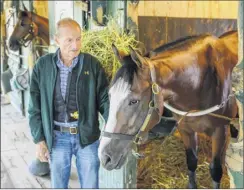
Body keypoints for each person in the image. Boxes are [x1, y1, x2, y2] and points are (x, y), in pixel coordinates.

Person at [28, 18, 109, 188]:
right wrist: (39, 139)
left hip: (86, 136)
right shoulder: (42, 66)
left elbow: (104, 100)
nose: (76, 45)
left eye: (79, 39)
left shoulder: (92, 64)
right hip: (57, 138)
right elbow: (34, 108)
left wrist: (115, 130)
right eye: (69, 40)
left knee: (90, 185)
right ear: (56, 40)